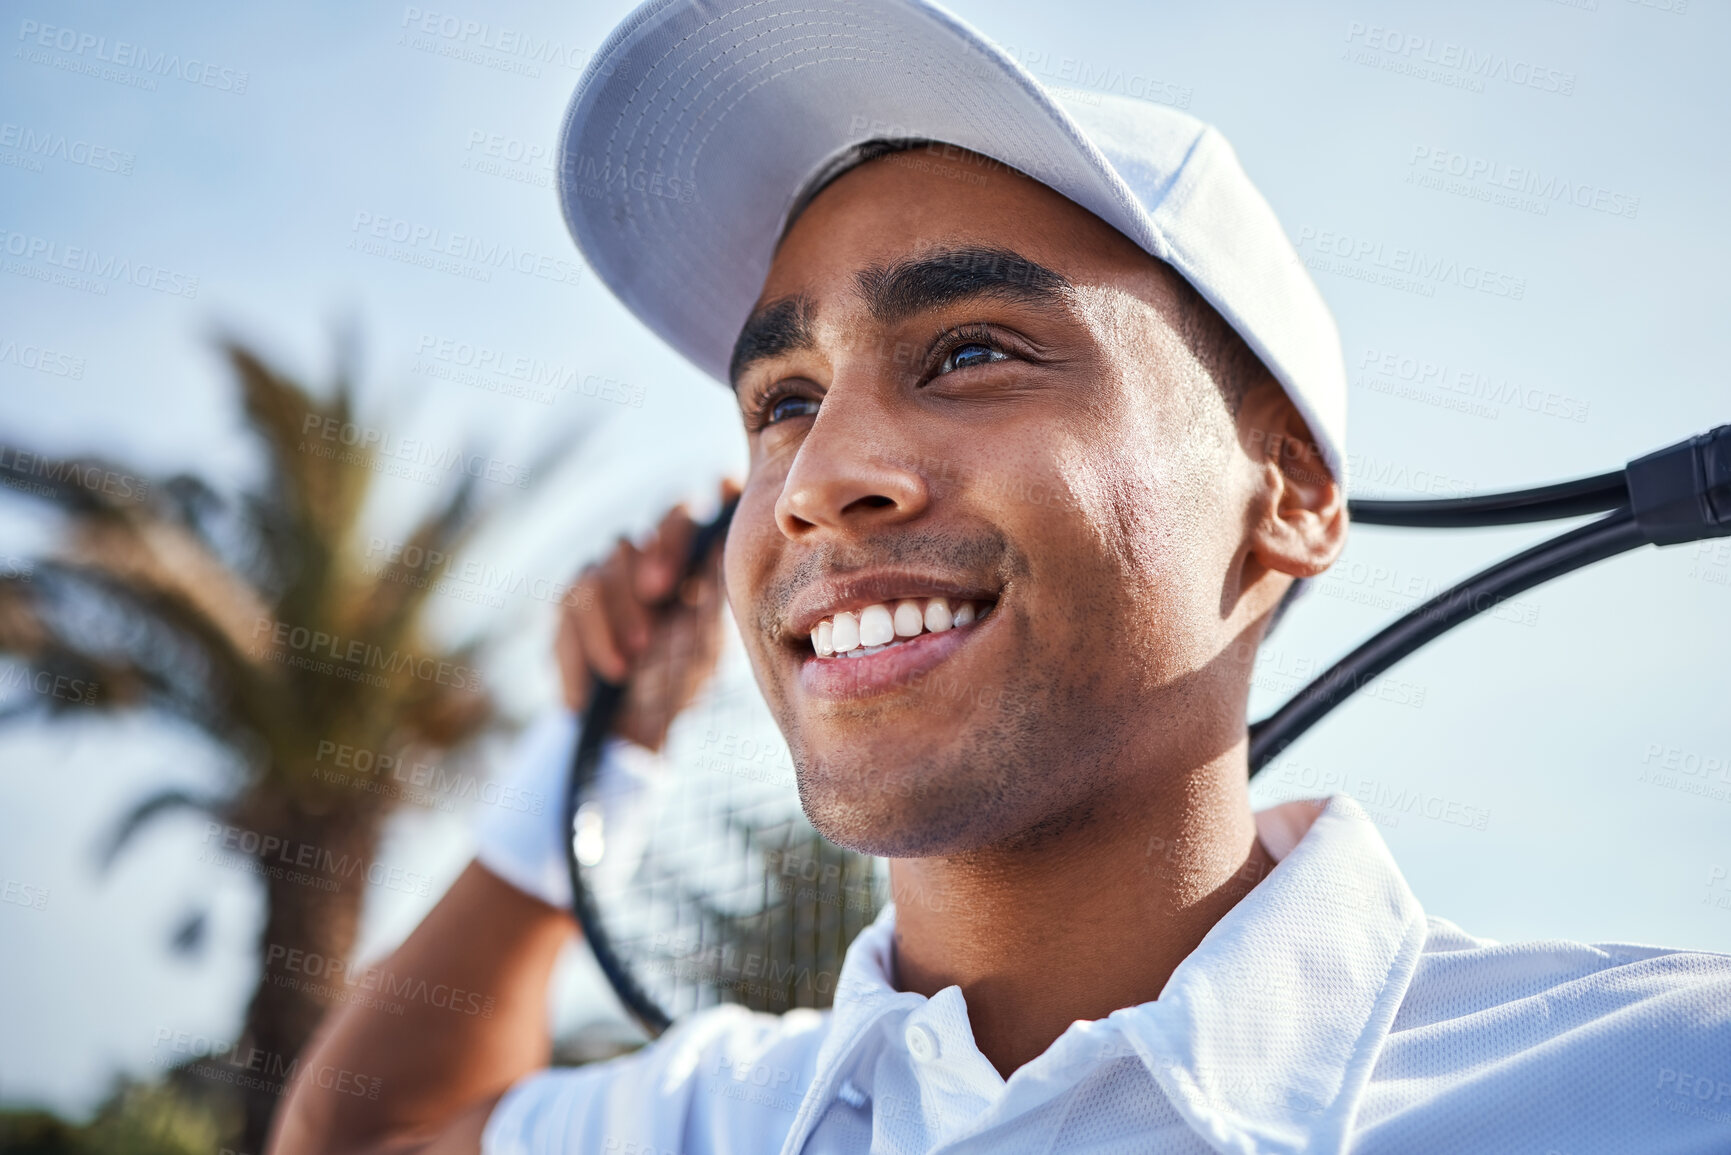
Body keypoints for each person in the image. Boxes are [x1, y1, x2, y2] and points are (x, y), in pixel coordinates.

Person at [269, 1, 1731, 1152]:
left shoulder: (1674, 1087)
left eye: (970, 349)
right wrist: (596, 752)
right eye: (781, 395)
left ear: (1283, 493)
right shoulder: (726, 1117)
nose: (820, 475)